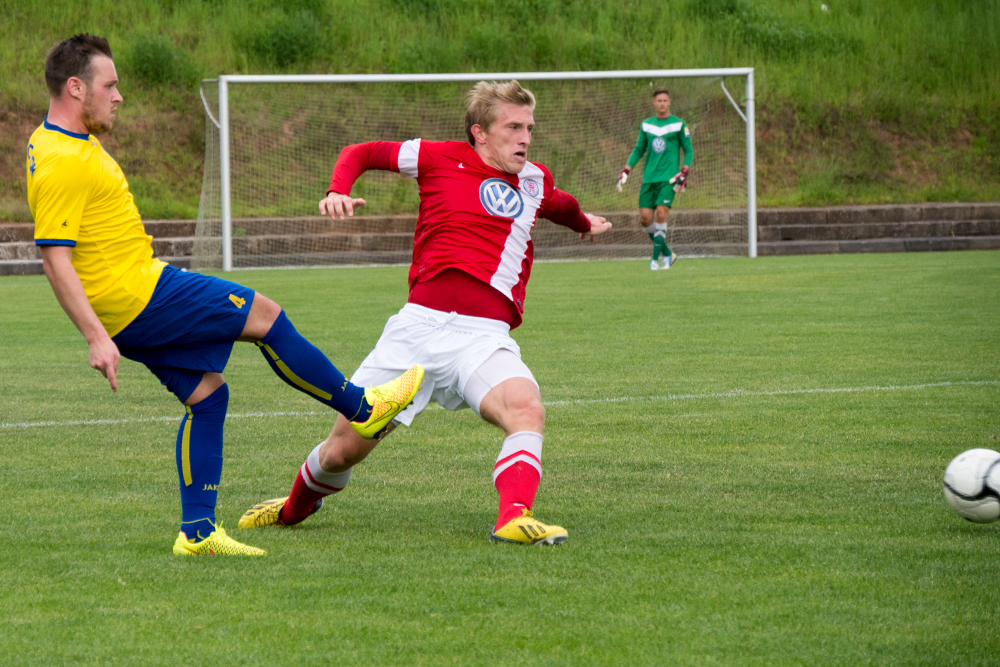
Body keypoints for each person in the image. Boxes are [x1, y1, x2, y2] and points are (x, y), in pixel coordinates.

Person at [26, 34, 422, 557]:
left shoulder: (57, 139)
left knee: (208, 396)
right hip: (138, 295)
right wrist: (96, 338)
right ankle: (362, 406)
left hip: (131, 297)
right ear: (76, 88)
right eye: (110, 85)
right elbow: (55, 257)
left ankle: (197, 533)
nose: (119, 96)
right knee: (265, 315)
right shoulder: (64, 161)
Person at [239, 80, 612, 545]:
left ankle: (514, 516)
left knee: (526, 408)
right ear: (479, 132)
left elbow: (562, 205)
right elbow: (362, 151)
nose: (525, 138)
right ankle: (294, 507)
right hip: (414, 330)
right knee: (340, 452)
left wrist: (584, 223)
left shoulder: (535, 181)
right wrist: (338, 188)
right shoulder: (436, 156)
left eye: (529, 128)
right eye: (513, 127)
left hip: (482, 336)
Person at [617, 88, 693, 270]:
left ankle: (654, 260)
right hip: (648, 179)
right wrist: (626, 170)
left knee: (661, 214)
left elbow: (688, 150)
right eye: (659, 101)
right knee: (645, 218)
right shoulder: (646, 125)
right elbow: (638, 150)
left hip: (669, 179)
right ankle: (667, 253)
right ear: (654, 103)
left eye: (665, 101)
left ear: (670, 102)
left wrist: (684, 171)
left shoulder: (679, 124)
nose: (662, 104)